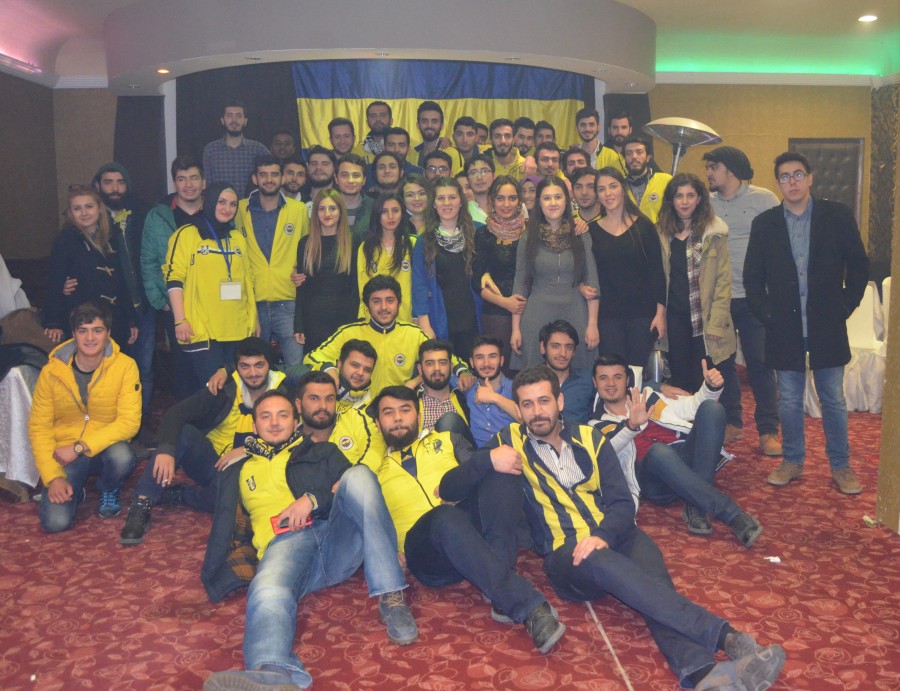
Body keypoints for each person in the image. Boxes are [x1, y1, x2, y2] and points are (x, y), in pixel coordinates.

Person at [479, 365, 786, 690]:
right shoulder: (509, 442)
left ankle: (701, 672)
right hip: (566, 555)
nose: (537, 412)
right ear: (519, 410)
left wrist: (602, 535)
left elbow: (622, 503)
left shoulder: (590, 438)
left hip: (613, 535)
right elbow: (456, 482)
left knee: (653, 586)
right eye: (527, 404)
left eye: (544, 401)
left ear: (560, 402)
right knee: (609, 565)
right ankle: (728, 637)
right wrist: (488, 460)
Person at [202, 390, 417, 690]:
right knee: (268, 587)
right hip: (285, 545)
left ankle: (392, 595)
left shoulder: (322, 452)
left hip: (335, 536)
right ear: (254, 425)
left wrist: (311, 499)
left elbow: (351, 491)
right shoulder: (239, 467)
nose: (274, 423)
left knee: (359, 475)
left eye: (283, 415)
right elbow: (216, 508)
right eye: (266, 416)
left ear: (296, 422)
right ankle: (274, 673)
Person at [368, 385, 566, 654]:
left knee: (501, 467)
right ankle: (527, 605)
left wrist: (474, 476)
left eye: (405, 410)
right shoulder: (374, 473)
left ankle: (499, 591)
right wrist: (390, 553)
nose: (398, 418)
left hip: (470, 536)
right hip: (426, 554)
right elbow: (370, 526)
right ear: (378, 424)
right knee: (442, 516)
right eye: (388, 413)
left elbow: (479, 474)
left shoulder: (448, 440)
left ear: (419, 415)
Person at [744, 152, 869, 494]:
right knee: (788, 401)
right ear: (778, 183)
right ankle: (792, 461)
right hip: (784, 328)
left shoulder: (837, 216)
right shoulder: (765, 224)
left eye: (798, 174)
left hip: (827, 324)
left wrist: (845, 305)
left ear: (810, 177)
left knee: (833, 400)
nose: (793, 182)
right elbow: (752, 279)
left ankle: (841, 466)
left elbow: (859, 265)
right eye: (785, 177)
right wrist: (768, 316)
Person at [120, 338, 287, 545]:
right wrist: (165, 450)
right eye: (245, 366)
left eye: (259, 365)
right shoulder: (224, 387)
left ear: (269, 365)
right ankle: (141, 503)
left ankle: (183, 495)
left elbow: (296, 435)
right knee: (184, 433)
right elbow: (175, 414)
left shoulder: (284, 392)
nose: (252, 373)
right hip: (214, 463)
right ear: (237, 367)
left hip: (256, 473)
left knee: (237, 502)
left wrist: (249, 448)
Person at [590, 354, 763, 546]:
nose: (611, 383)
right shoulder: (596, 425)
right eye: (603, 378)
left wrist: (710, 387)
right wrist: (631, 426)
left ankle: (696, 506)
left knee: (711, 408)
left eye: (617, 377)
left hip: (683, 455)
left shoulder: (649, 397)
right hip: (652, 479)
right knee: (658, 451)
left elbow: (691, 407)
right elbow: (607, 451)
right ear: (595, 383)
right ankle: (732, 514)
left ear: (627, 380)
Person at [30, 302, 140, 532]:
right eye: (83, 331)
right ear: (74, 334)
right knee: (55, 523)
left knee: (123, 456)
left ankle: (109, 487)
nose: (90, 338)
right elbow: (39, 427)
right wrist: (53, 478)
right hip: (65, 452)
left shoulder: (125, 366)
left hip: (105, 445)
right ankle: (76, 488)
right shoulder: (51, 372)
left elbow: (129, 423)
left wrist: (80, 447)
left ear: (108, 333)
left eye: (97, 330)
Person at [703, 146, 782, 453]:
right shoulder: (706, 203)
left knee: (760, 364)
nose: (709, 172)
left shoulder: (763, 199)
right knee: (722, 364)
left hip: (754, 298)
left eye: (714, 167)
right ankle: (732, 423)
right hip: (718, 298)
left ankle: (768, 431)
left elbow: (780, 244)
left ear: (731, 169)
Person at [305, 275, 475, 396]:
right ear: (367, 306)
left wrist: (463, 372)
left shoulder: (413, 334)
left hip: (400, 410)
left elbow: (447, 358)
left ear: (399, 304)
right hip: (356, 409)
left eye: (390, 300)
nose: (384, 307)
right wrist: (329, 368)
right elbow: (311, 358)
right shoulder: (348, 333)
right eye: (376, 301)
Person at [165, 183, 258, 384]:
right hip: (203, 330)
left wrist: (254, 319)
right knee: (212, 390)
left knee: (236, 390)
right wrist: (180, 320)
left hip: (238, 328)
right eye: (221, 202)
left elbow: (248, 280)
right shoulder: (187, 234)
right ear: (209, 202)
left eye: (233, 204)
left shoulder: (237, 238)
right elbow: (173, 278)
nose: (227, 208)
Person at [510, 177, 599, 370]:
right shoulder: (527, 237)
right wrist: (515, 329)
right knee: (535, 375)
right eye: (547, 198)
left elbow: (592, 282)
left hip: (576, 310)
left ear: (567, 200)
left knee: (580, 373)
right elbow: (520, 285)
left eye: (558, 197)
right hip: (537, 312)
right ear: (539, 203)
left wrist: (592, 324)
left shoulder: (580, 233)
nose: (553, 203)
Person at [657, 173, 735, 393]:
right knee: (680, 383)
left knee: (710, 382)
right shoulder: (661, 233)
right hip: (674, 322)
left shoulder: (713, 233)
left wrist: (716, 323)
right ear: (671, 200)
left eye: (690, 196)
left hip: (705, 321)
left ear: (699, 198)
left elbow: (723, 283)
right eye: (679, 196)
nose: (684, 202)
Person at [92, 162, 153, 432]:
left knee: (143, 368)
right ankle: (112, 427)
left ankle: (140, 423)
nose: (115, 188)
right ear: (98, 186)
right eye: (108, 182)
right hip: (110, 310)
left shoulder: (142, 214)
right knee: (112, 370)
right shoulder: (91, 218)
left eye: (120, 182)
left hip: (143, 304)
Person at [589, 166, 667, 368]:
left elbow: (657, 273)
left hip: (642, 315)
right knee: (612, 372)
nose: (608, 193)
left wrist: (660, 314)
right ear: (597, 195)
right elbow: (585, 273)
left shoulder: (644, 226)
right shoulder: (591, 231)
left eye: (612, 186)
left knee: (636, 372)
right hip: (607, 317)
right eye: (601, 189)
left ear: (623, 188)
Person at [44, 185, 137, 350]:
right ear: (71, 213)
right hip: (81, 318)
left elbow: (122, 281)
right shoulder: (65, 239)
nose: (84, 213)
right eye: (77, 208)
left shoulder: (113, 238)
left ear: (99, 208)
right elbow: (54, 281)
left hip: (114, 318)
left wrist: (131, 319)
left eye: (89, 206)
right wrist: (53, 322)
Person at [142, 155, 205, 398]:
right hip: (174, 304)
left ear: (203, 182)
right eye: (182, 179)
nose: (188, 185)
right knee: (183, 366)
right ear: (174, 183)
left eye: (194, 178)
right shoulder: (158, 216)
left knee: (209, 365)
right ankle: (185, 415)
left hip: (209, 304)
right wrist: (160, 301)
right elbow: (148, 260)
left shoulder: (216, 211)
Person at [237, 155, 309, 367]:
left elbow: (307, 250)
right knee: (253, 367)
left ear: (282, 178)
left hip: (288, 301)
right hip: (253, 302)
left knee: (296, 368)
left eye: (274, 174)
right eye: (263, 175)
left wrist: (301, 272)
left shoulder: (299, 210)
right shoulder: (239, 210)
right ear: (255, 178)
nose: (269, 179)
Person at [411, 177, 481, 359]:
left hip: (473, 316)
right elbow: (419, 285)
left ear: (461, 202)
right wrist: (425, 324)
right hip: (439, 318)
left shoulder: (478, 233)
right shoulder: (424, 241)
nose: (447, 203)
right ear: (434, 204)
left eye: (452, 197)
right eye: (441, 198)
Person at [293, 189, 359, 353]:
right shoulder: (305, 243)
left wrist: (354, 323)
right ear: (315, 213)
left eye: (332, 208)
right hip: (313, 320)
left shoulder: (353, 241)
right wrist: (298, 324)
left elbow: (356, 287)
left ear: (341, 212)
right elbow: (301, 288)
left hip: (344, 318)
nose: (327, 213)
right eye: (322, 209)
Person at [473, 176, 527, 367]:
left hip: (529, 311)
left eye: (512, 198)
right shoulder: (483, 234)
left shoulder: (531, 231)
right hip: (496, 314)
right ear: (492, 201)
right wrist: (506, 303)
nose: (506, 204)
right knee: (501, 369)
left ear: (519, 201)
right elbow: (476, 282)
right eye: (500, 198)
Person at [358, 192, 416, 322]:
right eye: (384, 211)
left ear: (402, 213)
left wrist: (417, 315)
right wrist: (363, 317)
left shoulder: (412, 244)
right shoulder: (366, 247)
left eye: (395, 211)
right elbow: (362, 285)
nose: (390, 216)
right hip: (374, 319)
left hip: (407, 319)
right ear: (377, 215)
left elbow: (419, 285)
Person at [202, 99, 269, 196]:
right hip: (220, 205)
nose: (234, 120)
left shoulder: (259, 150)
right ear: (222, 121)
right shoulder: (210, 150)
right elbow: (208, 187)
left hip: (251, 205)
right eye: (229, 115)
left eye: (239, 116)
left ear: (245, 121)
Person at [537, 320, 595, 426]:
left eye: (569, 347)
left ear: (574, 352)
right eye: (555, 346)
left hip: (580, 436)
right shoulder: (529, 381)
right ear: (543, 347)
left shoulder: (589, 379)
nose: (563, 353)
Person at [466, 335, 518, 447]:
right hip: (477, 455)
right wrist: (461, 372)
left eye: (492, 357)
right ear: (472, 362)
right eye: (480, 357)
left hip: (510, 452)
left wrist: (494, 397)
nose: (486, 364)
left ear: (501, 360)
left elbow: (529, 420)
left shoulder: (517, 388)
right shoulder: (467, 387)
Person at [413, 339, 471, 437]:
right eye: (430, 363)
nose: (437, 368)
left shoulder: (465, 395)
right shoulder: (412, 402)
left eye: (443, 363)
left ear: (451, 366)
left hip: (463, 445)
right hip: (424, 446)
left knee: (449, 420)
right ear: (420, 369)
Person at [623, 135, 671, 223]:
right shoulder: (619, 186)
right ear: (625, 159)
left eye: (639, 152)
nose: (634, 157)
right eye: (629, 153)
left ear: (648, 157)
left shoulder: (666, 181)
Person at [412, 101, 463, 172]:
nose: (429, 125)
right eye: (424, 121)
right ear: (418, 125)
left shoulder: (452, 154)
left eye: (434, 121)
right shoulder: (411, 153)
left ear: (442, 125)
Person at [573, 107, 624, 173]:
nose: (587, 129)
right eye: (583, 125)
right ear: (577, 128)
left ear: (598, 127)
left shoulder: (612, 156)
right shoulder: (572, 156)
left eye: (591, 124)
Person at [335, 153, 373, 238]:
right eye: (345, 175)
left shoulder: (374, 207)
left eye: (356, 175)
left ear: (364, 180)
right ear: (336, 178)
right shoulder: (325, 207)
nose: (350, 180)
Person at [332, 338, 377, 412]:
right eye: (355, 365)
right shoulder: (319, 384)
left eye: (367, 370)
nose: (360, 373)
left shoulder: (373, 409)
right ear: (339, 363)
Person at [465, 153, 495, 223]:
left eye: (484, 171)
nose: (479, 177)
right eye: (473, 173)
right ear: (467, 179)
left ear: (494, 175)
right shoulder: (464, 212)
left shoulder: (504, 204)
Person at [304, 146, 336, 213]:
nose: (318, 167)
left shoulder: (343, 198)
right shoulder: (298, 197)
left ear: (334, 168)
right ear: (307, 168)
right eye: (314, 164)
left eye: (325, 164)